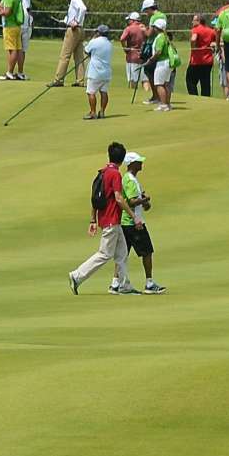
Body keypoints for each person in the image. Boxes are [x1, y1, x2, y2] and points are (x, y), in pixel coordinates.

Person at [70, 141, 134, 295]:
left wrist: (93, 219)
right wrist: (133, 216)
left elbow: (94, 199)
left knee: (122, 253)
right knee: (105, 254)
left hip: (109, 220)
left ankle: (124, 285)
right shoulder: (115, 174)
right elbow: (118, 198)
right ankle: (76, 275)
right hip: (112, 220)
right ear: (122, 159)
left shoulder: (103, 172)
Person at [120, 152, 164, 293]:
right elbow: (131, 201)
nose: (141, 164)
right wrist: (144, 200)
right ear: (132, 164)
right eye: (139, 162)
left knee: (122, 254)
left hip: (129, 222)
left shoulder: (132, 179)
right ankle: (149, 284)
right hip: (133, 223)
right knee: (147, 252)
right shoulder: (130, 180)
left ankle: (116, 283)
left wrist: (144, 202)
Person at [50, 0, 87, 87]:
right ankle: (80, 80)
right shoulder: (74, 0)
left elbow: (83, 8)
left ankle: (58, 79)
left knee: (65, 55)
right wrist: (66, 20)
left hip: (74, 30)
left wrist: (76, 22)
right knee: (79, 56)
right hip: (80, 30)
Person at [0, 0, 28, 81]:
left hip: (10, 26)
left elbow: (7, 12)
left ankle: (9, 72)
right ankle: (12, 72)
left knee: (12, 50)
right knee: (17, 49)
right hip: (17, 26)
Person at [145, 17, 179, 111]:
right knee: (165, 84)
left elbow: (159, 51)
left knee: (159, 84)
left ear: (157, 27)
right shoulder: (165, 36)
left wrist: (151, 59)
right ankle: (167, 104)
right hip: (167, 63)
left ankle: (163, 105)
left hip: (162, 62)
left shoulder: (160, 37)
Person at [81, 23, 114, 120]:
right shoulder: (109, 43)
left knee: (91, 92)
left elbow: (86, 50)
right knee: (104, 92)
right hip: (106, 72)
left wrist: (93, 38)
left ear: (99, 32)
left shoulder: (94, 41)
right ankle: (102, 111)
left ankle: (93, 112)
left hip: (95, 72)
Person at [119, 9, 151, 106]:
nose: (128, 21)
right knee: (144, 79)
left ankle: (132, 98)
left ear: (132, 20)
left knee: (132, 80)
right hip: (143, 56)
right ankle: (147, 95)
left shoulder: (129, 28)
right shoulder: (143, 27)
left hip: (132, 56)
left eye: (129, 20)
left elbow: (122, 39)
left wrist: (125, 48)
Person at [185, 12, 218, 99]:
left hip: (196, 61)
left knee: (190, 80)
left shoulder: (196, 29)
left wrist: (194, 48)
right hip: (208, 61)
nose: (192, 22)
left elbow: (193, 39)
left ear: (198, 21)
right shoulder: (211, 31)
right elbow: (216, 41)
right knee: (205, 82)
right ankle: (206, 99)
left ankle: (194, 98)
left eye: (194, 20)